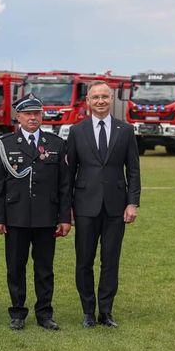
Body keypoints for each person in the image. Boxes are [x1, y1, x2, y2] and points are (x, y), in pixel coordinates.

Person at [0, 93, 71, 331]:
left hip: (47, 217)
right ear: (18, 117)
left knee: (45, 269)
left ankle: (45, 313)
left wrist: (65, 217)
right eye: (27, 114)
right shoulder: (5, 144)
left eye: (37, 113)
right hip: (16, 216)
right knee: (15, 267)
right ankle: (17, 313)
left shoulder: (56, 144)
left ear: (42, 115)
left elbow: (64, 185)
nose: (33, 118)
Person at [66, 80, 141, 328]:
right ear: (87, 101)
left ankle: (106, 311)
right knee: (84, 261)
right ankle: (88, 311)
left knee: (110, 261)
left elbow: (133, 171)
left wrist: (132, 203)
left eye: (104, 97)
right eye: (95, 97)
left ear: (112, 100)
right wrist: (67, 209)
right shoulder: (77, 131)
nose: (100, 101)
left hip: (115, 208)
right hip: (85, 207)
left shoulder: (125, 130)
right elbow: (69, 173)